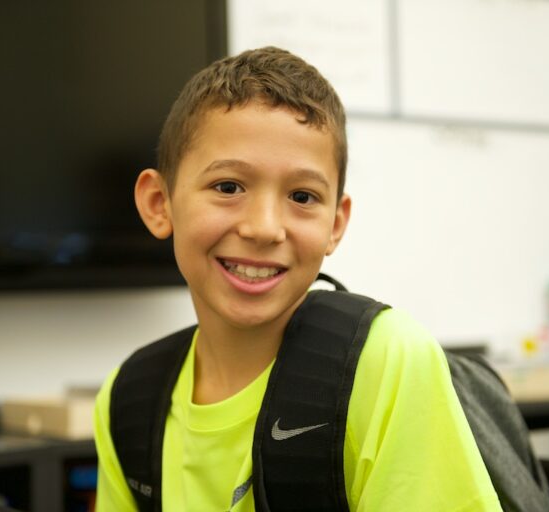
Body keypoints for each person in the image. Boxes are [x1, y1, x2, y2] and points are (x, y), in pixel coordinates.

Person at [93, 46, 501, 511]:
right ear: (158, 203)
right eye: (228, 187)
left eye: (302, 196)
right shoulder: (129, 399)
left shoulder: (384, 360)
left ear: (335, 224)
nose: (265, 228)